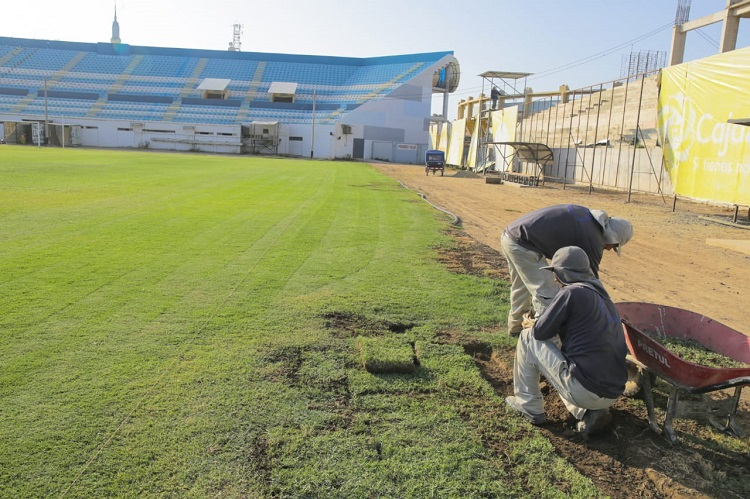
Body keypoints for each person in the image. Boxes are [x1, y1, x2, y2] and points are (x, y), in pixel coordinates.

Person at [505, 246, 628, 438]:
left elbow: (539, 332)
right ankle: (587, 412)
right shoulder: (605, 298)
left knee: (528, 338)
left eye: (556, 273)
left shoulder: (572, 292)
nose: (555, 279)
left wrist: (531, 324)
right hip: (612, 392)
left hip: (586, 390)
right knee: (568, 358)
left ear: (566, 273)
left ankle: (528, 406)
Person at [500, 204, 633, 336]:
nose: (609, 249)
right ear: (613, 236)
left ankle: (516, 328)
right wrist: (607, 311)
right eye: (614, 246)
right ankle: (544, 337)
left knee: (521, 287)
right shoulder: (593, 238)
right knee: (547, 294)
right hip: (523, 244)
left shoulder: (587, 218)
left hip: (511, 236)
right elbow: (591, 281)